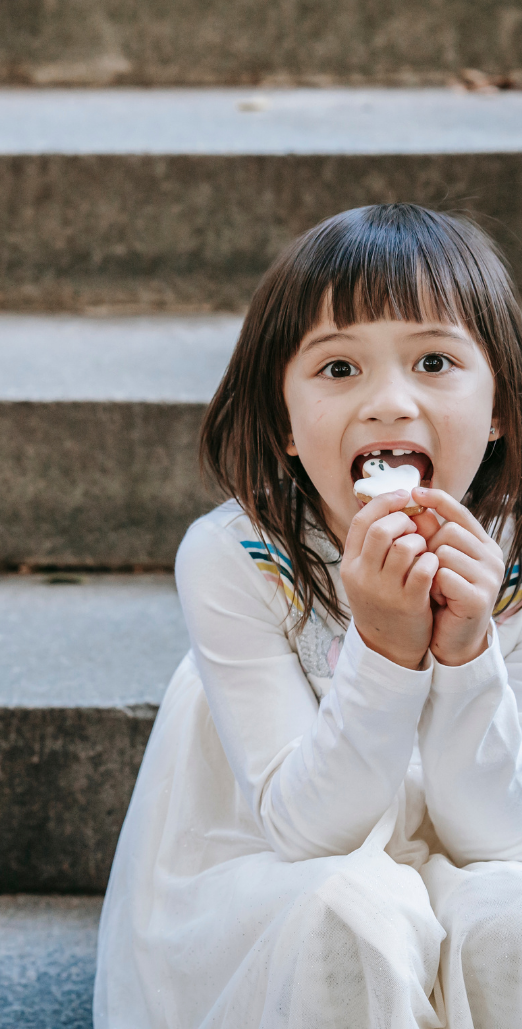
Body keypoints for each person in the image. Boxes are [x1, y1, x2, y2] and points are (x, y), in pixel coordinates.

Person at [95, 205, 522, 1029]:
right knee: (354, 918)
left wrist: (466, 651)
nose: (390, 402)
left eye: (434, 360)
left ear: (500, 404)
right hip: (284, 854)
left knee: (507, 922)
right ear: (286, 425)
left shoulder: (508, 562)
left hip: (481, 841)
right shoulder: (237, 559)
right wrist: (388, 651)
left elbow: (497, 839)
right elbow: (308, 833)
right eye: (338, 369)